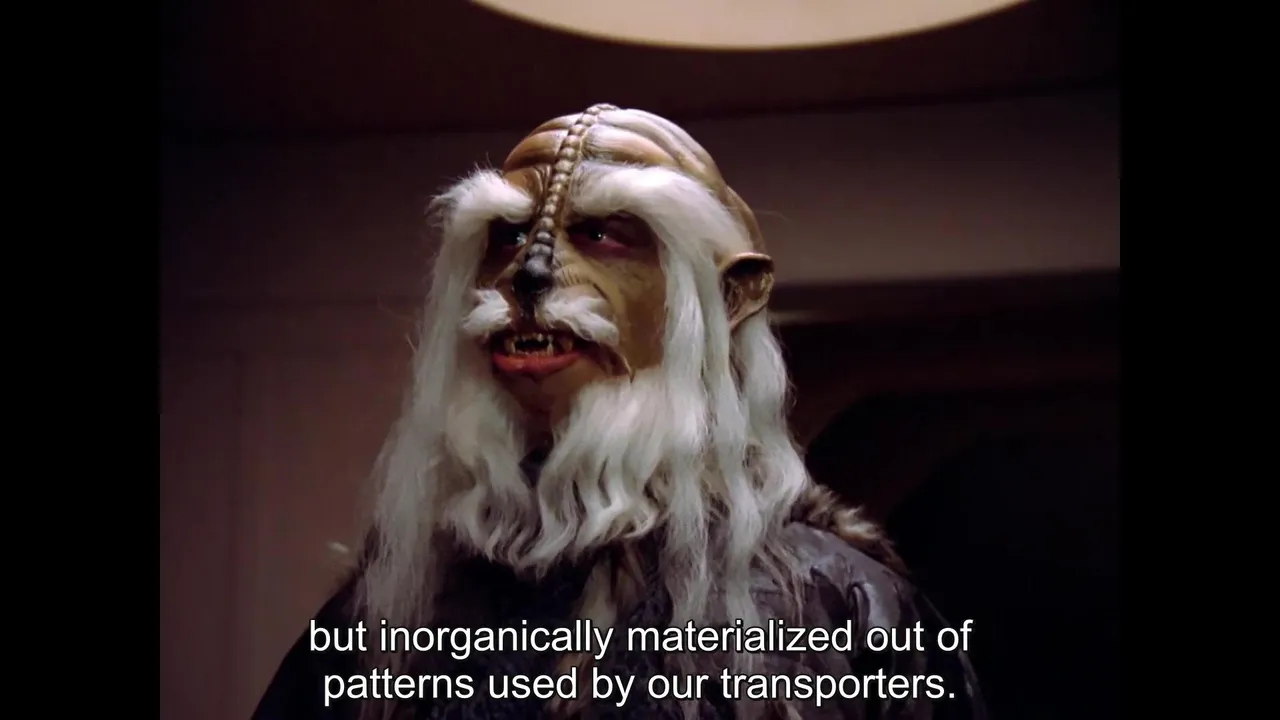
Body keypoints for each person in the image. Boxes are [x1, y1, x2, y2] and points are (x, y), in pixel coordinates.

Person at [251, 104, 985, 720]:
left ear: (726, 298)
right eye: (507, 236)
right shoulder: (388, 615)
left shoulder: (839, 604)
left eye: (602, 235)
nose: (530, 272)